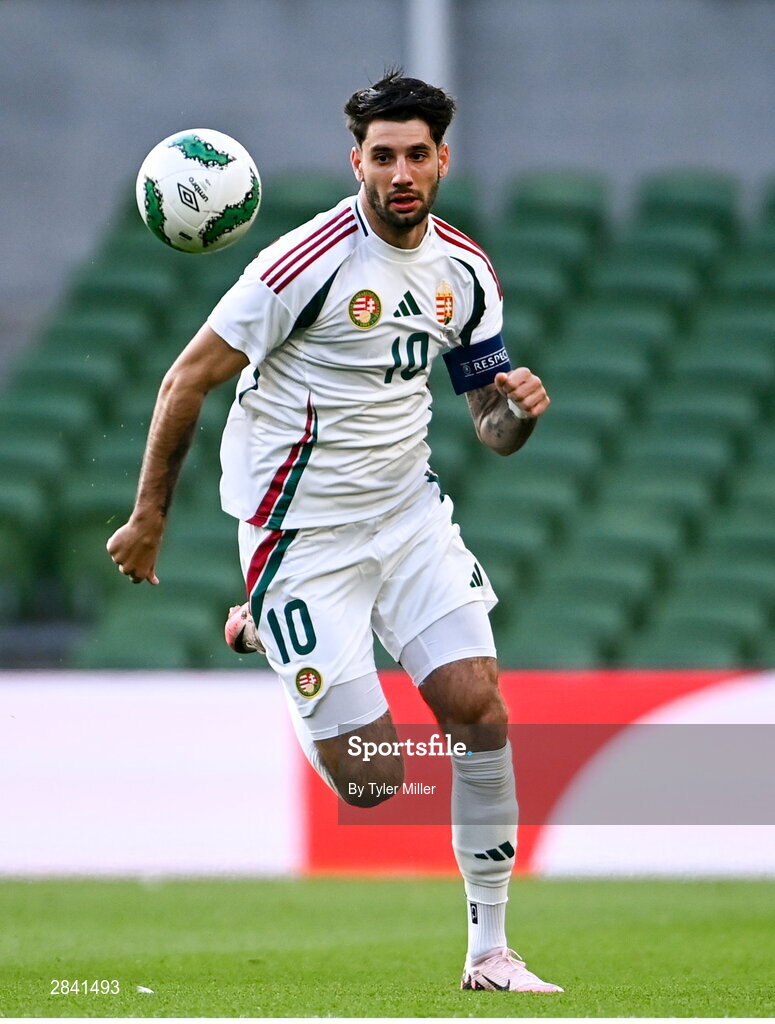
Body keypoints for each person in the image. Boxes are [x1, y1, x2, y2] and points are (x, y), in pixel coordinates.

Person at [107, 70, 562, 994]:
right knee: (371, 780)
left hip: (406, 518)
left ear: (442, 161)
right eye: (382, 155)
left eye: (416, 155)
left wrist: (516, 413)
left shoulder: (464, 273)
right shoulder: (298, 265)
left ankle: (491, 952)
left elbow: (489, 428)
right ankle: (268, 625)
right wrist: (148, 519)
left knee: (480, 712)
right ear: (355, 161)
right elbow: (183, 381)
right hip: (301, 536)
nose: (400, 171)